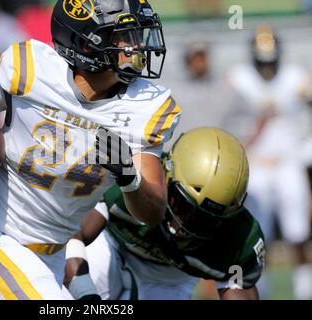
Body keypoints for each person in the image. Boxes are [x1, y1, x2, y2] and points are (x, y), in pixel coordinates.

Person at [0, 0, 181, 299]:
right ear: (87, 43)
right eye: (124, 36)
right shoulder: (33, 70)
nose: (136, 47)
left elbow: (152, 211)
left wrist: (129, 178)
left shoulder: (146, 108)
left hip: (56, 254)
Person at [65, 127, 265, 300]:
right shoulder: (134, 177)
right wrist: (85, 294)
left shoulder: (239, 240)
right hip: (114, 247)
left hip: (169, 281)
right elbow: (71, 231)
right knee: (88, 274)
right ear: (166, 174)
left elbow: (239, 287)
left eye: (205, 219)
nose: (185, 225)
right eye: (183, 206)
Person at [225, 25, 312, 299]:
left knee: (299, 228)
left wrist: (306, 149)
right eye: (262, 60)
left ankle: (304, 283)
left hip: (288, 161)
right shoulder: (238, 79)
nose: (267, 66)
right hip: (256, 163)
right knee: (257, 232)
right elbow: (225, 118)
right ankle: (260, 283)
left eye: (271, 59)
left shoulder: (294, 77)